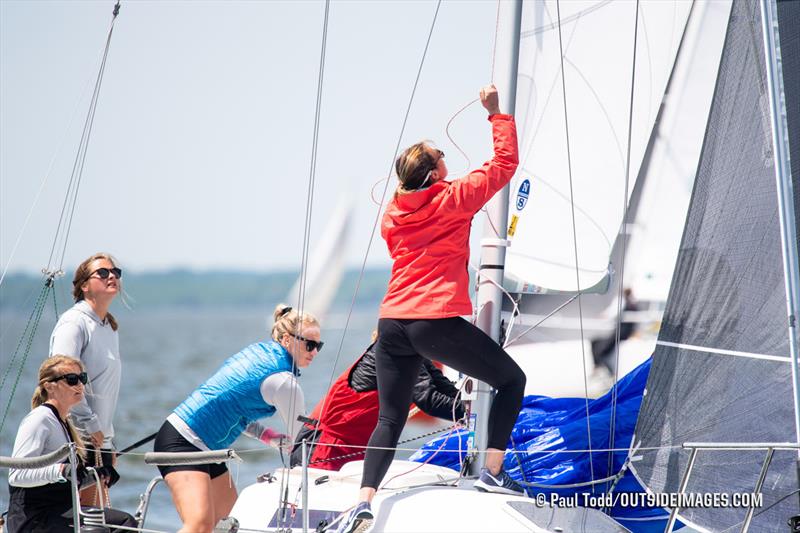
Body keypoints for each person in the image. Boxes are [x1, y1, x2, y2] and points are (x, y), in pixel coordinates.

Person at [335, 84, 527, 533]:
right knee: (512, 380)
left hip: (391, 323)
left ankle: (364, 502)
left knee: (390, 418)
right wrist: (496, 113)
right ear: (436, 170)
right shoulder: (452, 198)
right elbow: (503, 165)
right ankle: (492, 474)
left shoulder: (392, 214)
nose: (447, 157)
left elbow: (408, 201)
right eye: (441, 155)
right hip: (429, 320)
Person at [153, 304, 322, 533]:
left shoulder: (260, 352)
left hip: (206, 447)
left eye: (318, 346)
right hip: (183, 441)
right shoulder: (284, 382)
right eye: (309, 344)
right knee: (200, 526)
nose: (314, 352)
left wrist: (266, 435)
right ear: (286, 339)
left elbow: (234, 408)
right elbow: (302, 441)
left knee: (229, 525)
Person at [290, 336, 465, 471]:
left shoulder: (414, 355)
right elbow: (428, 399)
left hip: (352, 451)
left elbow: (445, 389)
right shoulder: (397, 351)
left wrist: (479, 408)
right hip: (323, 449)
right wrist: (476, 416)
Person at [6, 356, 136, 532]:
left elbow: (65, 480)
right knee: (117, 526)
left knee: (125, 522)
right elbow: (17, 476)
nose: (80, 385)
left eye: (82, 378)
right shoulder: (39, 419)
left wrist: (99, 474)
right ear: (49, 386)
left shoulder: (63, 421)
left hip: (61, 512)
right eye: (72, 380)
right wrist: (61, 470)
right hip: (34, 518)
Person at [49, 252, 123, 507]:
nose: (111, 276)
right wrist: (90, 425)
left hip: (99, 438)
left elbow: (104, 389)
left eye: (115, 272)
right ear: (84, 285)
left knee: (96, 516)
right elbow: (61, 378)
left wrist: (108, 439)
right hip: (76, 437)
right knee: (83, 516)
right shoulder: (74, 323)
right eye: (102, 273)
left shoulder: (108, 326)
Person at [591, 288, 639, 376]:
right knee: (596, 343)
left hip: (621, 333)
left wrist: (604, 316)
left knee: (601, 350)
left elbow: (613, 313)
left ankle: (609, 373)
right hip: (620, 332)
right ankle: (601, 368)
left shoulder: (625, 303)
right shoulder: (632, 304)